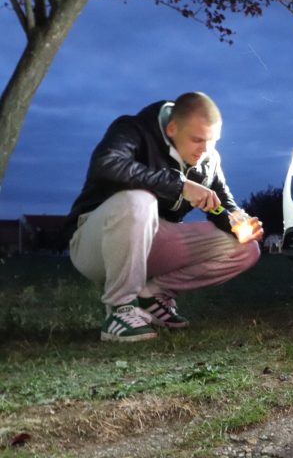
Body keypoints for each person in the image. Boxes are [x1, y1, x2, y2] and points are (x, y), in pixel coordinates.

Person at [65, 92, 263, 343]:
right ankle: (120, 308)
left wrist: (239, 221)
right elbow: (107, 164)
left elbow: (223, 204)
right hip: (95, 243)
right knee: (140, 200)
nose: (205, 149)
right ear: (172, 129)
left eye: (212, 141)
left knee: (246, 249)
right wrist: (180, 186)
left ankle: (151, 295)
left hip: (152, 243)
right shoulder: (134, 129)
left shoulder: (208, 159)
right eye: (197, 139)